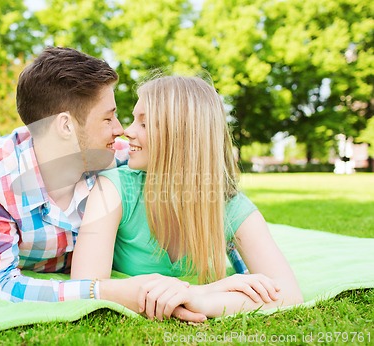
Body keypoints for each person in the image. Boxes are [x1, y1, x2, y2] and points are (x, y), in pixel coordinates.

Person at [0, 47, 209, 322]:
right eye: (108, 117)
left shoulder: (120, 158)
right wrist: (106, 291)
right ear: (66, 126)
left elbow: (187, 169)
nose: (120, 129)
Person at [71, 76, 303, 319]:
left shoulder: (229, 205)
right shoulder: (113, 188)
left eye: (144, 124)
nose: (127, 131)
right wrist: (205, 290)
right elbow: (85, 284)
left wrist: (199, 299)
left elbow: (288, 292)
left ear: (182, 136)